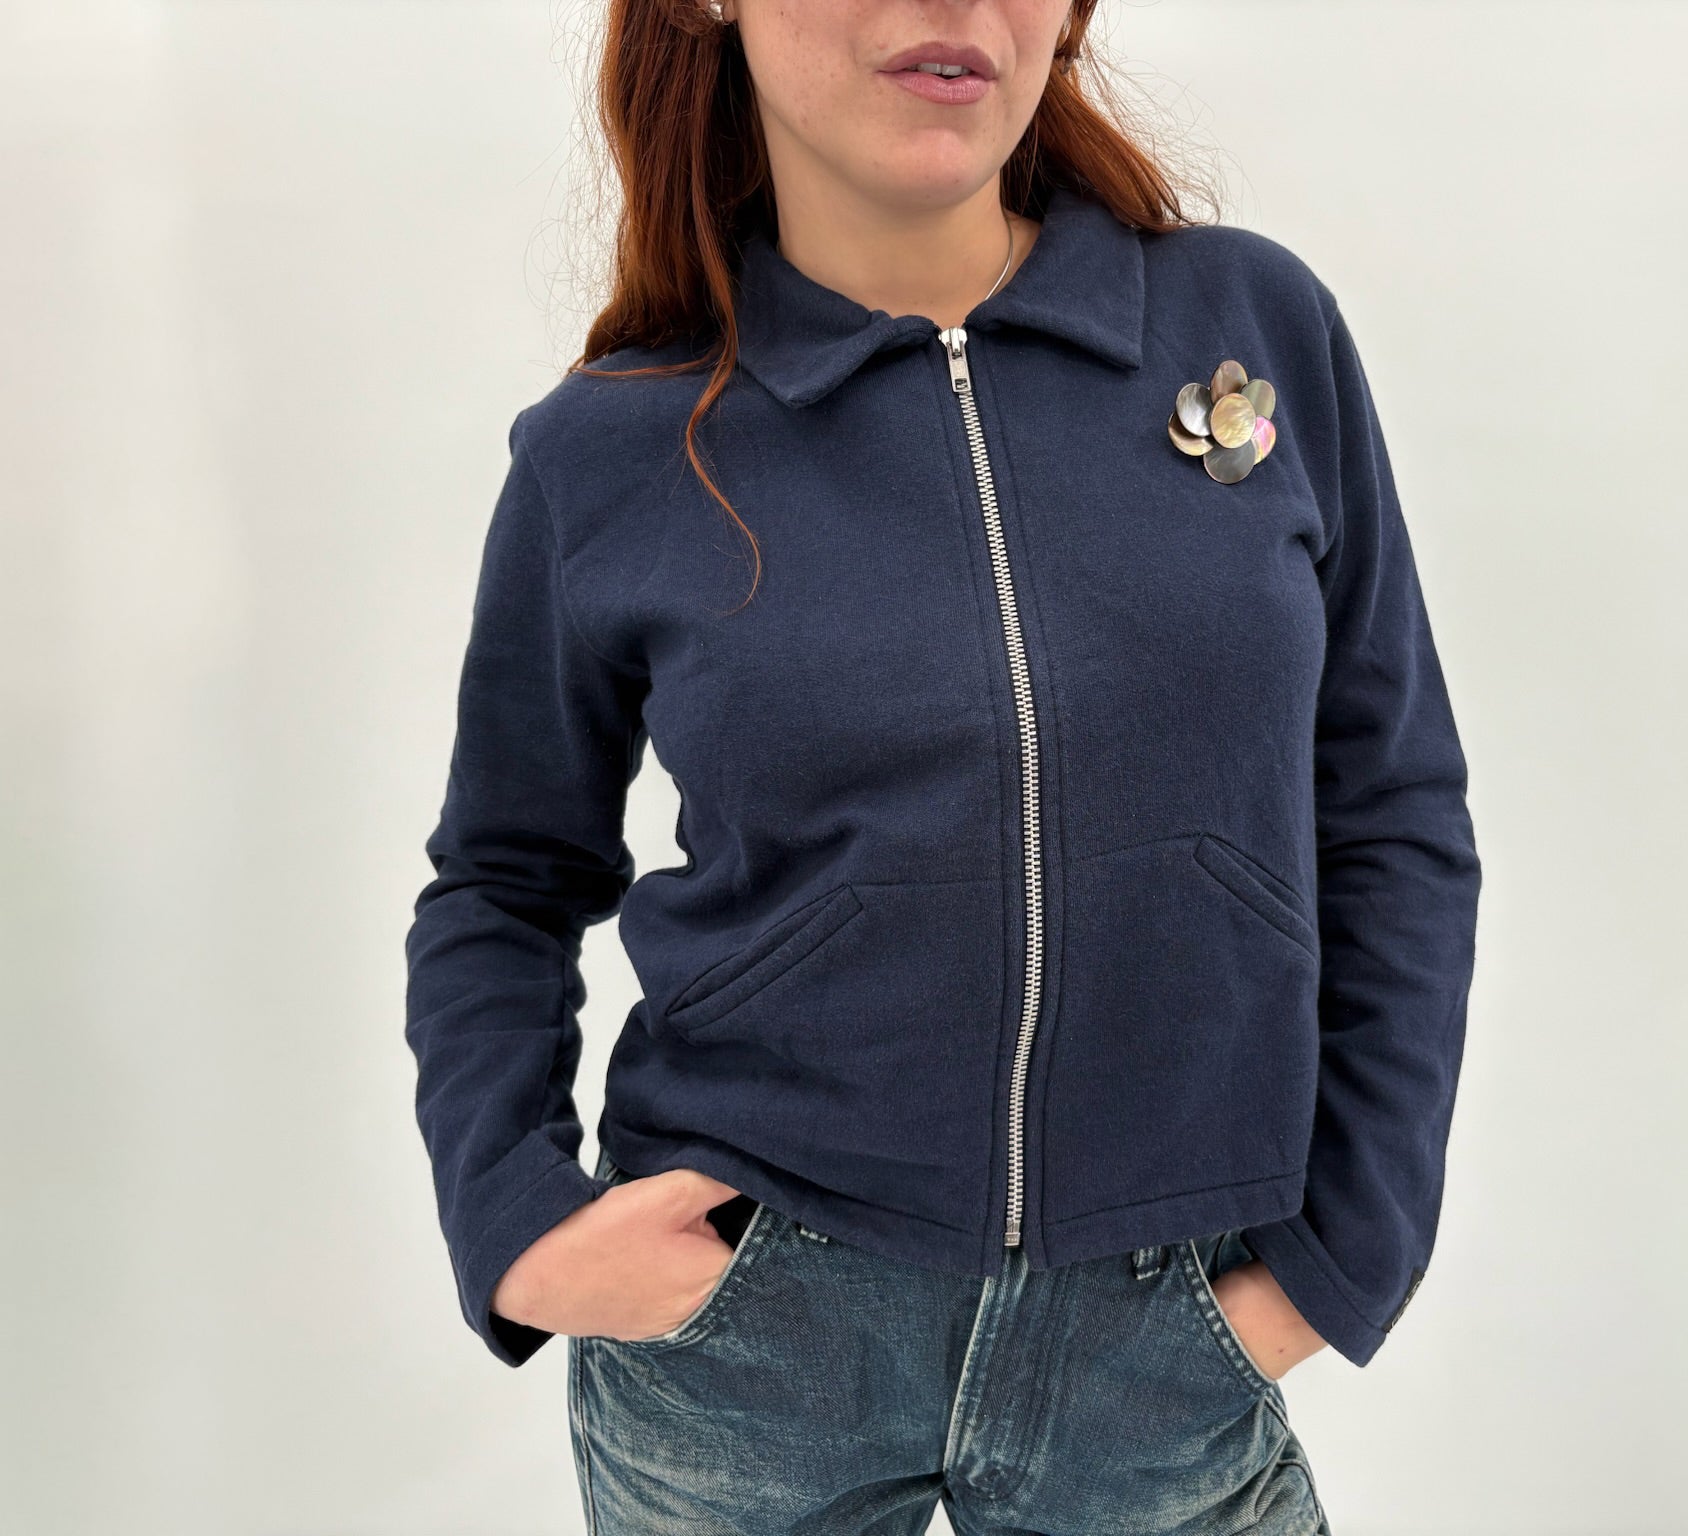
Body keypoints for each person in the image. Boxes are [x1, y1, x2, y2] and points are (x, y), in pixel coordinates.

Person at [403, 1, 1482, 1530]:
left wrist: (1344, 1254)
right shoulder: (617, 446)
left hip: (1168, 1323)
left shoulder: (1250, 324)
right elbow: (504, 881)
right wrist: (513, 1217)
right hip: (755, 1328)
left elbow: (1390, 809)